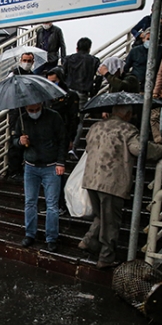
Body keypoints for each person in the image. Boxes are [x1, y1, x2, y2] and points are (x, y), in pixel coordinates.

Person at [80, 104, 162, 269]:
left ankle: (88, 240)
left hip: (91, 179)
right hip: (111, 181)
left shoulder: (95, 126)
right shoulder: (127, 129)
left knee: (101, 214)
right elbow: (140, 149)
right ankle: (106, 258)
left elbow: (88, 147)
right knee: (110, 222)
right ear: (128, 114)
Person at [13, 103, 67, 252]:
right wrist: (20, 141)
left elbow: (63, 139)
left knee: (52, 204)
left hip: (50, 165)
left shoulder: (54, 117)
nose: (34, 113)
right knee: (30, 202)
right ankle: (30, 234)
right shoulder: (22, 120)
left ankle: (52, 237)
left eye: (36, 109)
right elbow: (14, 140)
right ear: (25, 109)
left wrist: (61, 162)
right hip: (31, 165)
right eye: (31, 110)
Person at [46, 67, 79, 215]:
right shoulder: (46, 96)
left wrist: (71, 138)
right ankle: (53, 202)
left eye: (55, 81)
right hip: (47, 139)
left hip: (62, 138)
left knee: (58, 172)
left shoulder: (70, 96)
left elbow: (73, 120)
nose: (52, 84)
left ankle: (62, 203)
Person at [124, 29, 162, 143]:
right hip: (139, 89)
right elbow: (126, 67)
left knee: (154, 117)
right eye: (148, 39)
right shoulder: (135, 51)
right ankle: (137, 140)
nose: (150, 42)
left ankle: (158, 140)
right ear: (143, 39)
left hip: (156, 89)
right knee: (138, 116)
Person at [62, 37, 102, 159]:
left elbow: (63, 74)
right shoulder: (94, 61)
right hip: (83, 92)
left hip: (68, 92)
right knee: (79, 121)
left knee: (65, 118)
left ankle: (62, 146)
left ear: (77, 47)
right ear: (89, 48)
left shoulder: (68, 59)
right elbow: (99, 77)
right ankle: (73, 147)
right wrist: (94, 91)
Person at [7, 53, 35, 179]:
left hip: (28, 110)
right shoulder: (14, 74)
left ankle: (22, 168)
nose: (27, 63)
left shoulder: (33, 76)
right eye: (24, 60)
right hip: (15, 111)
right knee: (15, 141)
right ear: (20, 60)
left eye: (29, 60)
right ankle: (13, 170)